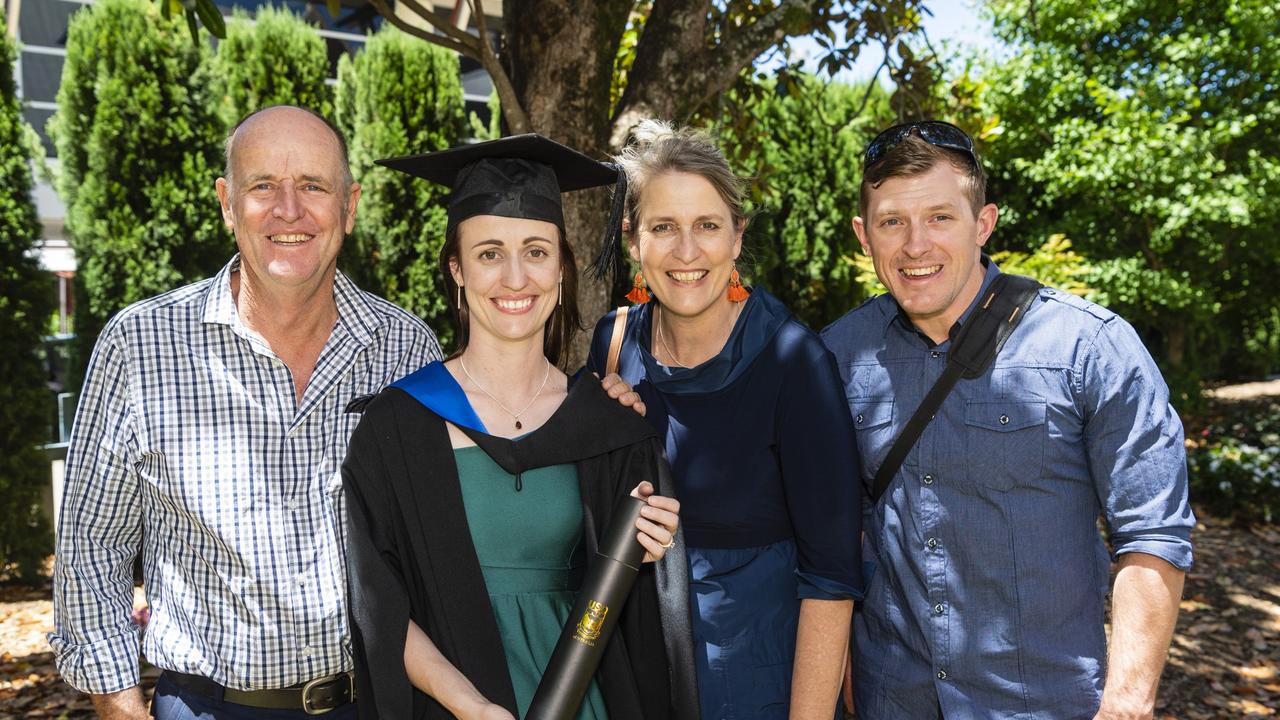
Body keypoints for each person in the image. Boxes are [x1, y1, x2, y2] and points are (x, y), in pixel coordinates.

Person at [821, 121, 1194, 719]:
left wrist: (1127, 703)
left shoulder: (1089, 348)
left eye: (940, 217)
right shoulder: (834, 356)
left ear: (984, 223)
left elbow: (1151, 536)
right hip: (891, 699)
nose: (915, 245)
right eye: (893, 222)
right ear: (865, 235)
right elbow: (828, 541)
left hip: (1043, 702)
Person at [343, 134, 699, 720]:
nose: (515, 278)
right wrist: (472, 706)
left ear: (561, 268)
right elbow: (378, 602)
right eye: (488, 254)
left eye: (536, 251)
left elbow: (649, 623)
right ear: (456, 270)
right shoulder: (397, 429)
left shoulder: (611, 427)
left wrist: (657, 546)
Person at [584, 120, 862, 719]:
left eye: (707, 226)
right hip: (638, 679)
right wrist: (603, 434)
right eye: (664, 228)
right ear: (634, 241)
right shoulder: (612, 347)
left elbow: (833, 579)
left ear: (736, 238)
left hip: (761, 691)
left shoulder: (793, 361)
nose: (687, 252)